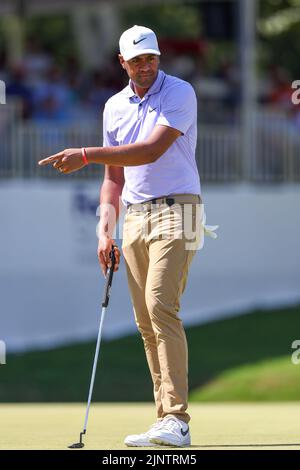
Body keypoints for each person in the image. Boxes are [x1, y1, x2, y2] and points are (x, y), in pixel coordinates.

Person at [38, 25, 218, 448]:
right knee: (144, 321)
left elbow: (150, 151)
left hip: (180, 210)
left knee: (160, 304)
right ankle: (164, 420)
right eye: (136, 60)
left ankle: (177, 418)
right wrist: (105, 231)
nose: (146, 65)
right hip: (135, 218)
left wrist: (84, 153)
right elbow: (114, 178)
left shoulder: (179, 93)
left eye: (151, 57)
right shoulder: (114, 106)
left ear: (159, 57)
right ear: (122, 63)